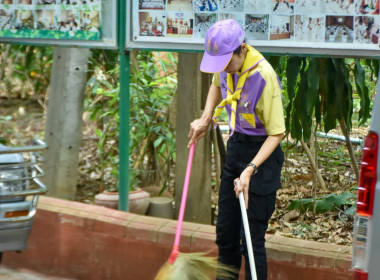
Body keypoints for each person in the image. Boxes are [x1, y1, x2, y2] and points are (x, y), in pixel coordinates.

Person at [188, 19, 285, 280]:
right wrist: (206, 117)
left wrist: (250, 170)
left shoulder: (263, 76)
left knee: (250, 241)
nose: (223, 69)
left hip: (262, 156)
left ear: (242, 49)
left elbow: (277, 133)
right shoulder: (226, 66)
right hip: (236, 148)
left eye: (226, 62)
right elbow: (216, 84)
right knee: (226, 234)